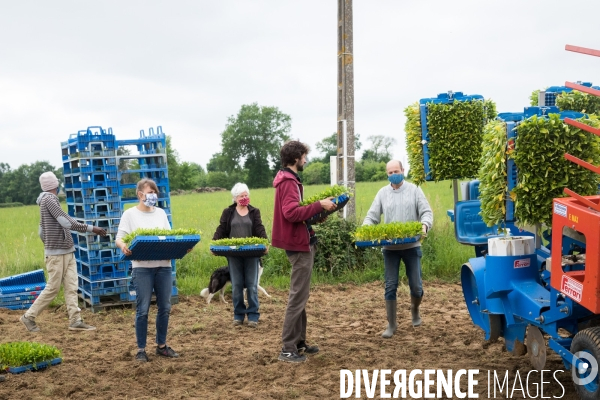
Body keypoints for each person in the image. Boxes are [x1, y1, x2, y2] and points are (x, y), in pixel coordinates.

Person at [272, 140, 337, 363]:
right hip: (298, 246)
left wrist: (318, 215)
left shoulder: (289, 180)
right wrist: (319, 204)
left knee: (301, 295)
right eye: (304, 156)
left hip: (300, 241)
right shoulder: (288, 181)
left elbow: (298, 215)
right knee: (297, 296)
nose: (306, 160)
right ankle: (287, 349)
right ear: (296, 157)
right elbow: (290, 213)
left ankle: (299, 342)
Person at [20, 172, 106, 333]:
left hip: (66, 251)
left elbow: (41, 231)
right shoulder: (49, 199)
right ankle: (28, 317)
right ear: (54, 185)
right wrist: (91, 228)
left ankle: (75, 320)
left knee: (71, 286)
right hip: (57, 254)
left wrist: (52, 243)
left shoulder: (46, 202)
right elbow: (66, 222)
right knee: (53, 288)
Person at [363, 160, 433, 337]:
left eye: (396, 170)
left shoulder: (414, 190)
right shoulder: (382, 193)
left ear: (403, 170)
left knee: (416, 286)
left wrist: (424, 225)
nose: (393, 174)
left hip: (412, 246)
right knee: (390, 285)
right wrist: (366, 229)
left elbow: (426, 212)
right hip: (390, 249)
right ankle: (391, 325)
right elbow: (372, 216)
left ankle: (415, 309)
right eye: (390, 172)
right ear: (387, 174)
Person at [115, 178, 179, 362]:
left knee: (165, 307)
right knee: (142, 309)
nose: (153, 196)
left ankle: (161, 346)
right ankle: (141, 349)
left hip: (164, 267)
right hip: (142, 268)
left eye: (154, 192)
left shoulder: (160, 213)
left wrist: (181, 247)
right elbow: (120, 238)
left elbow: (169, 237)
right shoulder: (130, 215)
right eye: (149, 192)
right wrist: (123, 246)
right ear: (139, 194)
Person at [212, 182, 268, 328]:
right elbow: (222, 229)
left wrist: (264, 242)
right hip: (234, 254)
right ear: (235, 198)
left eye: (246, 195)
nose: (245, 198)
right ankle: (238, 314)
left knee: (251, 285)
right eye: (242, 196)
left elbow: (259, 228)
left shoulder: (254, 211)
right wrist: (214, 243)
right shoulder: (228, 212)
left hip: (252, 254)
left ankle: (253, 315)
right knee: (236, 285)